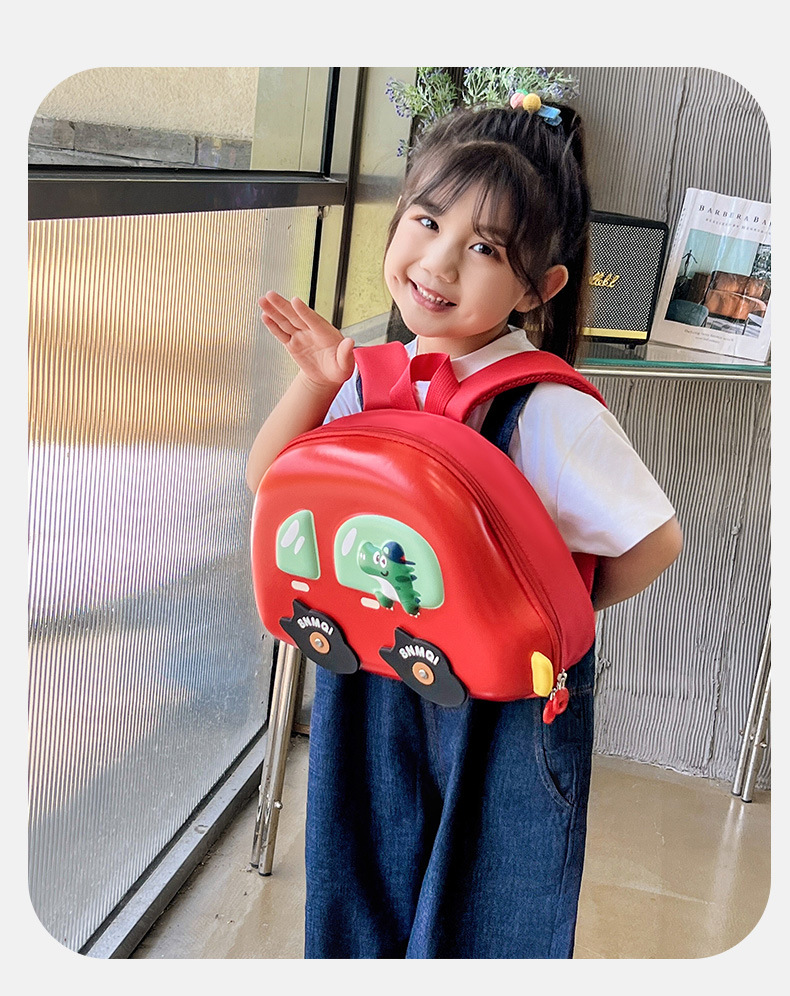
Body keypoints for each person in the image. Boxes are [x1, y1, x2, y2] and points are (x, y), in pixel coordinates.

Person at [245, 100, 683, 959]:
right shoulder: (368, 378)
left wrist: (543, 615)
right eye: (427, 220)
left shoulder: (546, 409)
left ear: (539, 288)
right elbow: (271, 481)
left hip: (503, 703)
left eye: (486, 248)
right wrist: (319, 380)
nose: (440, 262)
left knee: (490, 904)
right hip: (370, 672)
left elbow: (653, 541)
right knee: (358, 882)